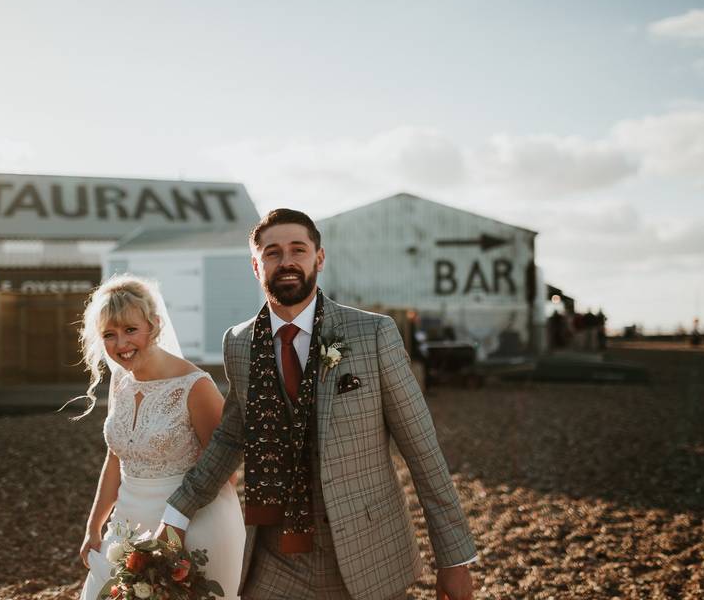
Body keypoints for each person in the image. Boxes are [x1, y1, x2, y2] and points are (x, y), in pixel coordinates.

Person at [156, 209, 478, 600]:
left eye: (298, 249)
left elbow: (422, 448)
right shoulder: (238, 343)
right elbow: (230, 437)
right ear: (256, 265)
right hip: (275, 558)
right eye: (272, 253)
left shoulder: (373, 333)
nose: (286, 261)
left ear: (319, 259)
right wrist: (177, 512)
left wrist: (454, 559)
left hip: (366, 553)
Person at [72, 275, 245, 600]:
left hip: (194, 521)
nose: (121, 344)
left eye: (130, 330)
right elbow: (115, 459)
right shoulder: (121, 382)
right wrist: (94, 526)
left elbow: (225, 472)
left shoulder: (196, 387)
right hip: (126, 520)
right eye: (109, 334)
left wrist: (180, 528)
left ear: (154, 326)